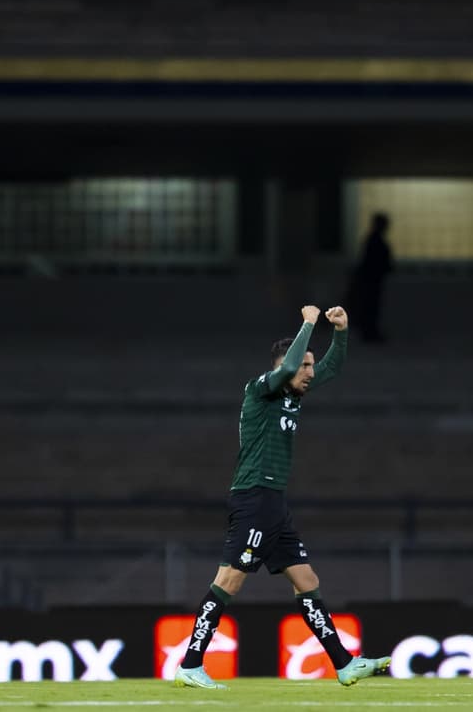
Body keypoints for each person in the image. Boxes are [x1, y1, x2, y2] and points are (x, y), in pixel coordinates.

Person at [174, 305, 390, 689]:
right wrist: (308, 322)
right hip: (254, 497)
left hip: (274, 503)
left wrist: (341, 331)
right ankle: (191, 663)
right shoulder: (261, 388)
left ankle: (343, 663)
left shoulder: (293, 394)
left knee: (306, 578)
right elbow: (289, 369)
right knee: (229, 580)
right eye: (305, 366)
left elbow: (333, 368)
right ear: (284, 366)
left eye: (309, 366)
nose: (311, 372)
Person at [346, 213, 393, 343]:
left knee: (369, 307)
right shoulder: (376, 241)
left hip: (370, 280)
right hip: (371, 280)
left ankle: (369, 332)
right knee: (370, 307)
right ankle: (369, 332)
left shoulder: (372, 240)